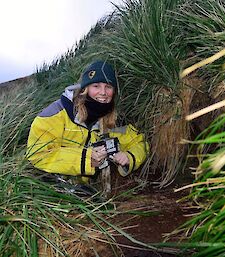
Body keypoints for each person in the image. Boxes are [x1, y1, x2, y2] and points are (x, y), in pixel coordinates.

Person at [27, 60, 149, 197]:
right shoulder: (55, 114)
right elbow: (37, 155)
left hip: (83, 189)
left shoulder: (114, 120)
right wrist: (86, 159)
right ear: (85, 89)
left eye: (108, 87)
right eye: (96, 86)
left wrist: (129, 157)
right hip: (46, 187)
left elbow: (141, 143)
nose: (103, 92)